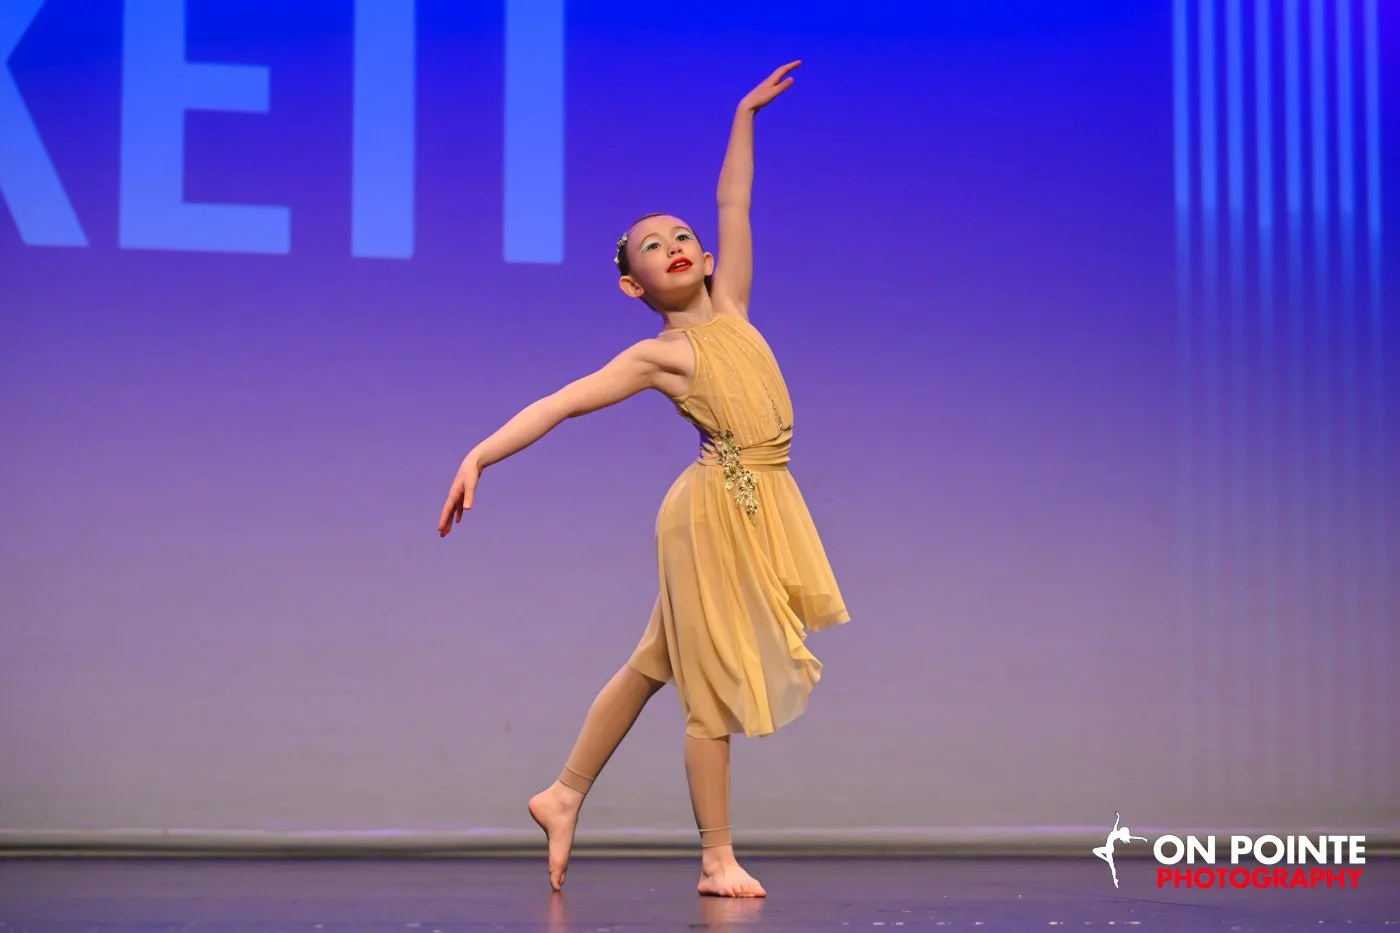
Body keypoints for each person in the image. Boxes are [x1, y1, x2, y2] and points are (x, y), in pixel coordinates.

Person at [438, 61, 849, 898]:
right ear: (634, 283)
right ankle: (715, 855)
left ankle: (562, 794)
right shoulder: (660, 355)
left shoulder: (733, 303)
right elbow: (560, 403)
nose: (677, 245)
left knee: (652, 664)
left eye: (681, 234)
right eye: (653, 246)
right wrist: (480, 451)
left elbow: (735, 199)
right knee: (712, 689)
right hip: (710, 515)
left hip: (761, 501)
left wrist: (744, 114)